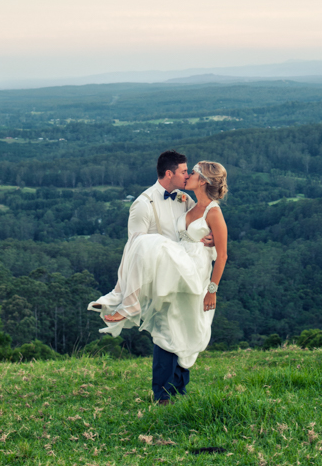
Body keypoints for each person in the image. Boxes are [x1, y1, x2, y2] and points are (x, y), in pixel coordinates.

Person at [88, 150, 228, 404]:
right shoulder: (145, 203)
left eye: (192, 172)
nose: (188, 175)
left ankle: (177, 390)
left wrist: (212, 284)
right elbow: (133, 250)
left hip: (193, 270)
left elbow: (221, 246)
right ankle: (164, 394)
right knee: (167, 325)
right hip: (169, 270)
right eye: (185, 171)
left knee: (184, 327)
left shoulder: (193, 202)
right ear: (169, 173)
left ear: (204, 181)